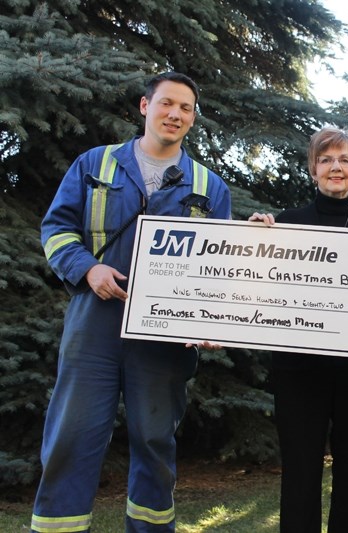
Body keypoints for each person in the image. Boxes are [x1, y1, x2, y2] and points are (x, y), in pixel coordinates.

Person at [33, 72, 231, 533]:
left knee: (154, 442)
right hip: (94, 325)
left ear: (192, 118)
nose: (175, 114)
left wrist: (214, 318)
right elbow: (56, 229)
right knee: (71, 437)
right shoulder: (94, 164)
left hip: (164, 338)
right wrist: (88, 268)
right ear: (146, 107)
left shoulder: (209, 186)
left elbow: (221, 267)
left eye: (185, 108)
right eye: (166, 104)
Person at [249, 127, 348, 533]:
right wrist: (252, 238)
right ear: (313, 168)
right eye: (326, 159)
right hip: (298, 370)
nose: (336, 167)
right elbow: (255, 285)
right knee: (300, 471)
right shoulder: (284, 225)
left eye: (344, 160)